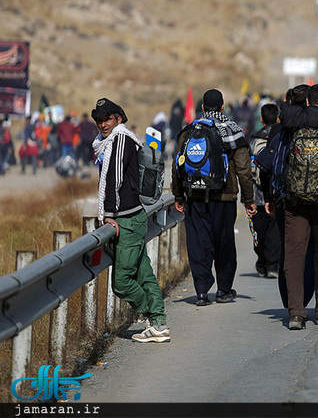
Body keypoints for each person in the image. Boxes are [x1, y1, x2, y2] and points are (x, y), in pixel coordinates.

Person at [268, 84, 318, 330]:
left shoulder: (292, 123)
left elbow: (279, 162)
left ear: (306, 102)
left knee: (293, 256)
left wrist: (276, 194)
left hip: (294, 202)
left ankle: (295, 314)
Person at [90, 98, 169, 343]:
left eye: (108, 119)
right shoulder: (108, 141)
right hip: (132, 218)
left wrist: (108, 217)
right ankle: (159, 324)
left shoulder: (120, 140)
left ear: (119, 119)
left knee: (122, 283)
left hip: (126, 219)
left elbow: (114, 180)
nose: (103, 124)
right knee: (143, 273)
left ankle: (153, 317)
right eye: (99, 120)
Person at [172, 89, 257, 306]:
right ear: (222, 107)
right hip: (224, 196)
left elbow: (178, 164)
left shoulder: (190, 130)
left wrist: (178, 195)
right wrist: (248, 199)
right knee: (224, 242)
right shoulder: (232, 130)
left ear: (202, 108)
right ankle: (224, 290)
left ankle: (201, 291)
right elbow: (244, 169)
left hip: (194, 195)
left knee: (198, 243)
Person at [249, 103, 281, 278]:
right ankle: (272, 265)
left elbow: (246, 168)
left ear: (261, 119)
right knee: (274, 231)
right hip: (273, 191)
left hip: (256, 195)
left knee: (257, 232)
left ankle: (261, 262)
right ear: (277, 118)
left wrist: (247, 197)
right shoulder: (280, 135)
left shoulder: (253, 140)